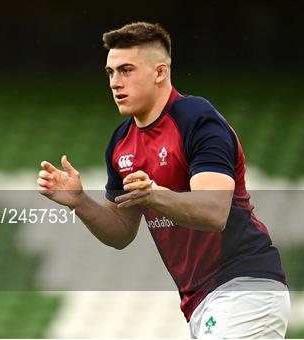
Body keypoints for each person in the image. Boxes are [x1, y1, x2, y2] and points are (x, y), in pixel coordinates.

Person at [37, 22, 290, 338]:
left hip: (243, 286)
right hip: (201, 302)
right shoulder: (121, 142)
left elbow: (214, 212)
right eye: (110, 72)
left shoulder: (196, 119)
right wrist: (79, 202)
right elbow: (121, 232)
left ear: (160, 72)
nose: (115, 82)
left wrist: (154, 195)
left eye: (127, 70)